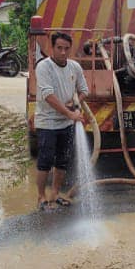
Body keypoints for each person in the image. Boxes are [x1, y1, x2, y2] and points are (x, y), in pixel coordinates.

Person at [33, 32, 90, 210]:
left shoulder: (74, 67)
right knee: (45, 161)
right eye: (59, 48)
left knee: (62, 160)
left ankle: (55, 193)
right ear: (52, 48)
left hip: (65, 124)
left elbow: (84, 90)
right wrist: (70, 114)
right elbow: (48, 96)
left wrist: (75, 103)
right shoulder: (44, 67)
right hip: (47, 122)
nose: (63, 52)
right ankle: (41, 197)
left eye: (66, 48)